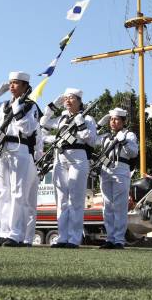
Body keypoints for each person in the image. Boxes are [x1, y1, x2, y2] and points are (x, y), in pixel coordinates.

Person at [0, 72, 39, 247]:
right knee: (2, 192)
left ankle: (15, 233)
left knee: (17, 192)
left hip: (19, 148)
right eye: (11, 83)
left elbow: (28, 128)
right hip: (1, 150)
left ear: (25, 87)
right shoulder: (4, 105)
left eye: (16, 83)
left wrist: (18, 110)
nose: (11, 86)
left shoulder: (30, 106)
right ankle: (4, 231)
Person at [40, 88, 97, 248]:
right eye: (66, 98)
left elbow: (91, 140)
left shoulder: (87, 118)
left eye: (71, 98)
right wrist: (52, 106)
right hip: (60, 157)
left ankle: (73, 238)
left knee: (75, 199)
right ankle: (62, 237)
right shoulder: (63, 117)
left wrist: (80, 124)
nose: (68, 101)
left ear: (79, 101)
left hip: (78, 157)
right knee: (61, 200)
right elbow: (43, 123)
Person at [95, 108, 138, 249]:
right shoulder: (106, 136)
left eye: (116, 119)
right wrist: (98, 125)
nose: (113, 122)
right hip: (106, 170)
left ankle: (119, 240)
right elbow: (90, 139)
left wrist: (124, 141)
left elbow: (133, 152)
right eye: (111, 119)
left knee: (119, 206)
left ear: (123, 121)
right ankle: (110, 238)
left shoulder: (129, 135)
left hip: (121, 169)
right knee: (107, 206)